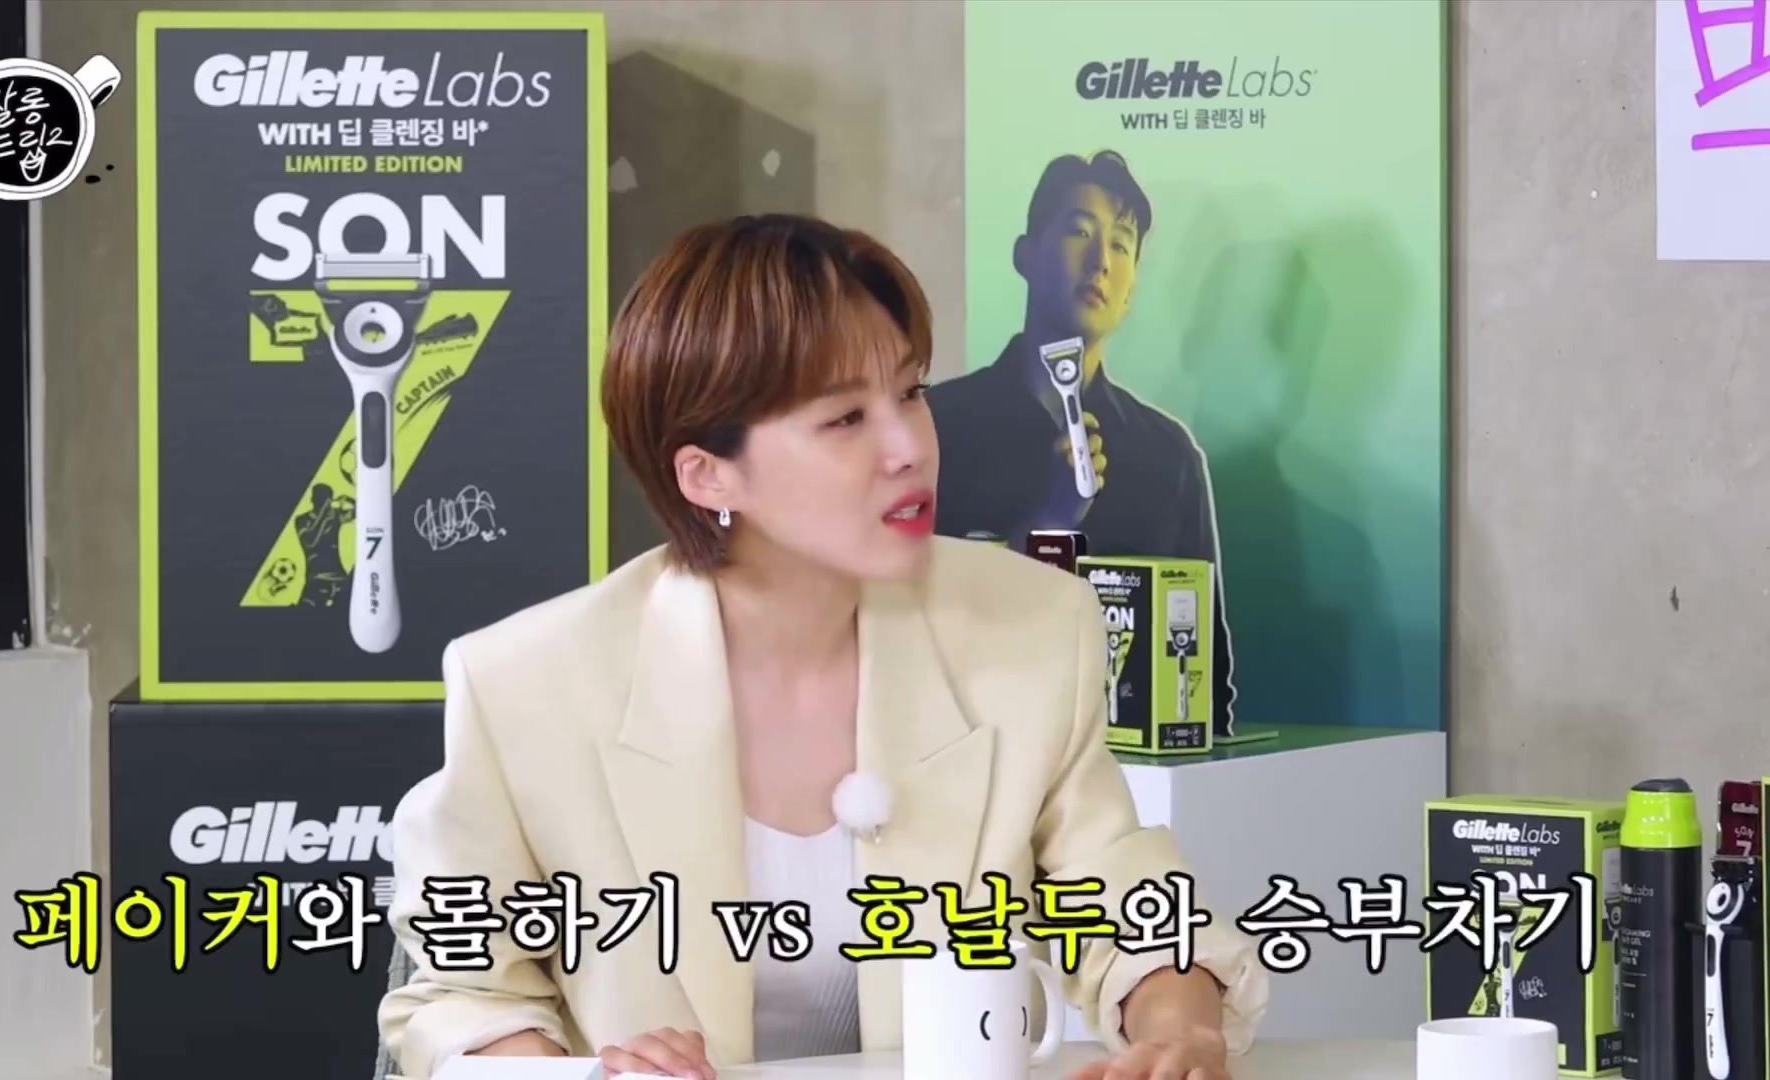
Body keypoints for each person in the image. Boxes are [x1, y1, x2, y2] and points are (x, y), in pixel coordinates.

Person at [377, 214, 1267, 1080]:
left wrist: (1179, 1034)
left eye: (910, 392)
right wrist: (586, 1077)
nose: (909, 447)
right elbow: (463, 999)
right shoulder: (526, 681)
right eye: (845, 418)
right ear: (708, 474)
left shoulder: (1031, 628)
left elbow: (1130, 907)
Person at [927, 150, 1239, 738]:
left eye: (1121, 245)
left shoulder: (1169, 455)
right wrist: (1047, 525)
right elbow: (913, 639)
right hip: (973, 760)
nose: (1101, 262)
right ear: (1025, 255)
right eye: (1079, 232)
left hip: (1129, 777)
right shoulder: (938, 428)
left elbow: (1207, 681)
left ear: (1131, 289)